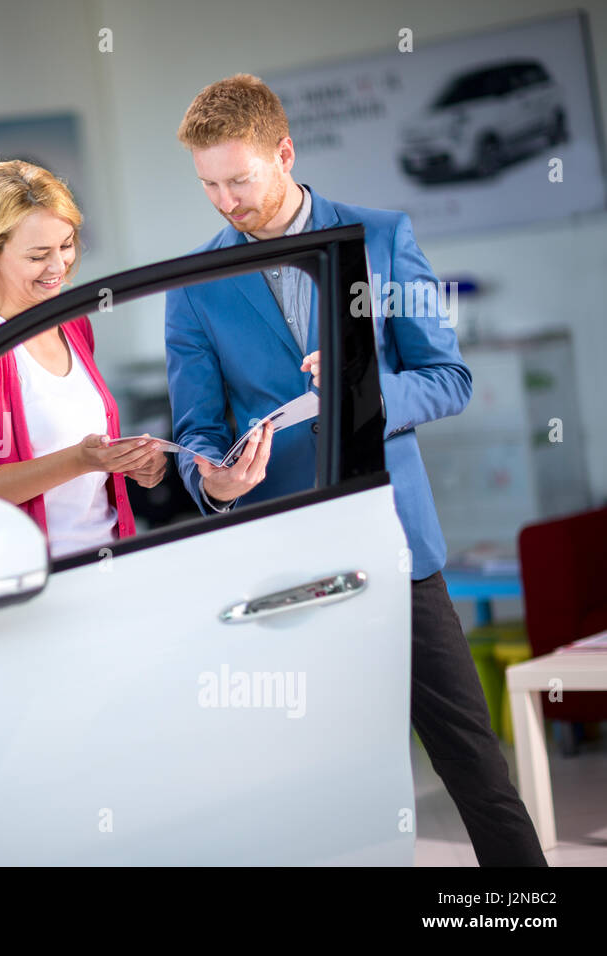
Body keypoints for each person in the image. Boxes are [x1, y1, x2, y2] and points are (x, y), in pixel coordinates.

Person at [166, 74, 546, 866]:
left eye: (240, 180)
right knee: (312, 778)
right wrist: (214, 482)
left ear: (285, 153)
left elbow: (449, 377)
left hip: (397, 546)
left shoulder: (380, 236)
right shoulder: (193, 285)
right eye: (209, 186)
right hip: (283, 564)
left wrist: (366, 395)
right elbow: (199, 436)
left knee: (472, 762)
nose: (226, 202)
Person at [0, 160, 166, 558]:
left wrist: (128, 464)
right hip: (36, 578)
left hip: (109, 556)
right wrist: (80, 460)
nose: (59, 266)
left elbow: (81, 468)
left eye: (66, 245)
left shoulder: (73, 325)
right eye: (38, 254)